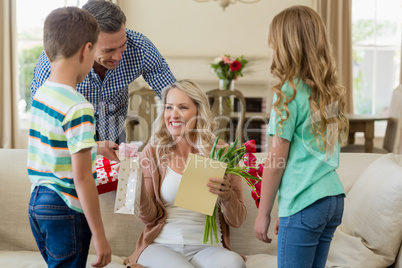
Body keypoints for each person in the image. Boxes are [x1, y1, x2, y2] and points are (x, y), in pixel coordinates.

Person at [254, 5, 349, 268]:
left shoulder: (287, 95)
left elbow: (276, 160)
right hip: (331, 199)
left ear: (285, 46)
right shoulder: (326, 91)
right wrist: (286, 210)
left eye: (274, 44)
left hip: (305, 202)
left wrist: (264, 213)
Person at [27, 7, 116, 268]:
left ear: (47, 51)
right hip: (65, 208)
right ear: (87, 50)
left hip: (37, 204)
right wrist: (100, 235)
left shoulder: (42, 95)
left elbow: (54, 146)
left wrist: (96, 147)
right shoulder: (79, 107)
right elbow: (82, 177)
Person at [124, 80, 247, 268]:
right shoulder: (154, 151)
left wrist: (227, 196)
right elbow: (149, 218)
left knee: (234, 264)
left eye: (183, 107)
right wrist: (136, 186)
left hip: (209, 248)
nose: (174, 115)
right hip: (163, 245)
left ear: (199, 111)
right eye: (169, 107)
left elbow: (237, 221)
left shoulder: (221, 152)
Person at [30, 0, 176, 144]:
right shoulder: (56, 62)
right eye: (109, 50)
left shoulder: (140, 48)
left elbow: (173, 94)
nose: (118, 56)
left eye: (122, 45)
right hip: (71, 137)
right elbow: (43, 120)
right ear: (87, 45)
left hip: (114, 133)